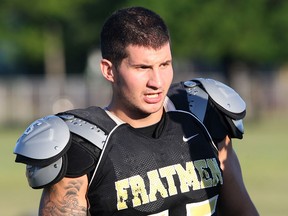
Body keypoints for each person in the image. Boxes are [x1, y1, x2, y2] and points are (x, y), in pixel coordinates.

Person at [14, 6, 259, 215]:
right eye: (142, 67)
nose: (157, 81)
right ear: (109, 70)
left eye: (165, 64)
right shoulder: (83, 144)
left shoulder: (201, 115)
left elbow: (242, 211)